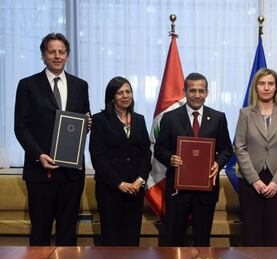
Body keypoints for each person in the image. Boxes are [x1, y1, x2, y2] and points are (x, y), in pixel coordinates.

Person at [14, 32, 91, 246]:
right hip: (40, 171)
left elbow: (83, 120)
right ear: (43, 55)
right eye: (52, 52)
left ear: (67, 55)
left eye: (61, 52)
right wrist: (39, 155)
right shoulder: (27, 85)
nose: (57, 56)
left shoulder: (80, 85)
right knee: (40, 231)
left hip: (72, 173)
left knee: (68, 234)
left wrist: (88, 124)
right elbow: (21, 127)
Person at [154, 72, 233, 246]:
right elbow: (159, 149)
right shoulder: (170, 117)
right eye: (192, 90)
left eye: (201, 91)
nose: (197, 95)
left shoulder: (218, 118)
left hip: (206, 190)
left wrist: (217, 164)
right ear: (184, 91)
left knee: (202, 241)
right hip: (177, 190)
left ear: (207, 92)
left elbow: (227, 149)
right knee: (174, 240)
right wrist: (170, 158)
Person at [234, 68, 277, 246]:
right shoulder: (245, 113)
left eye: (270, 84)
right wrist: (254, 180)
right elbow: (240, 148)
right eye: (262, 84)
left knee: (275, 234)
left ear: (276, 88)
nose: (266, 88)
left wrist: (276, 182)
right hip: (251, 181)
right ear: (256, 87)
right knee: (252, 234)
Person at [89, 76, 151, 246]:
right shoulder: (100, 120)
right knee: (112, 240)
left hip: (135, 190)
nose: (125, 96)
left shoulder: (139, 119)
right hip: (110, 189)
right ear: (112, 97)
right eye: (120, 92)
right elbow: (97, 156)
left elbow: (146, 154)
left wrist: (140, 180)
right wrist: (118, 183)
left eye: (128, 91)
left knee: (131, 239)